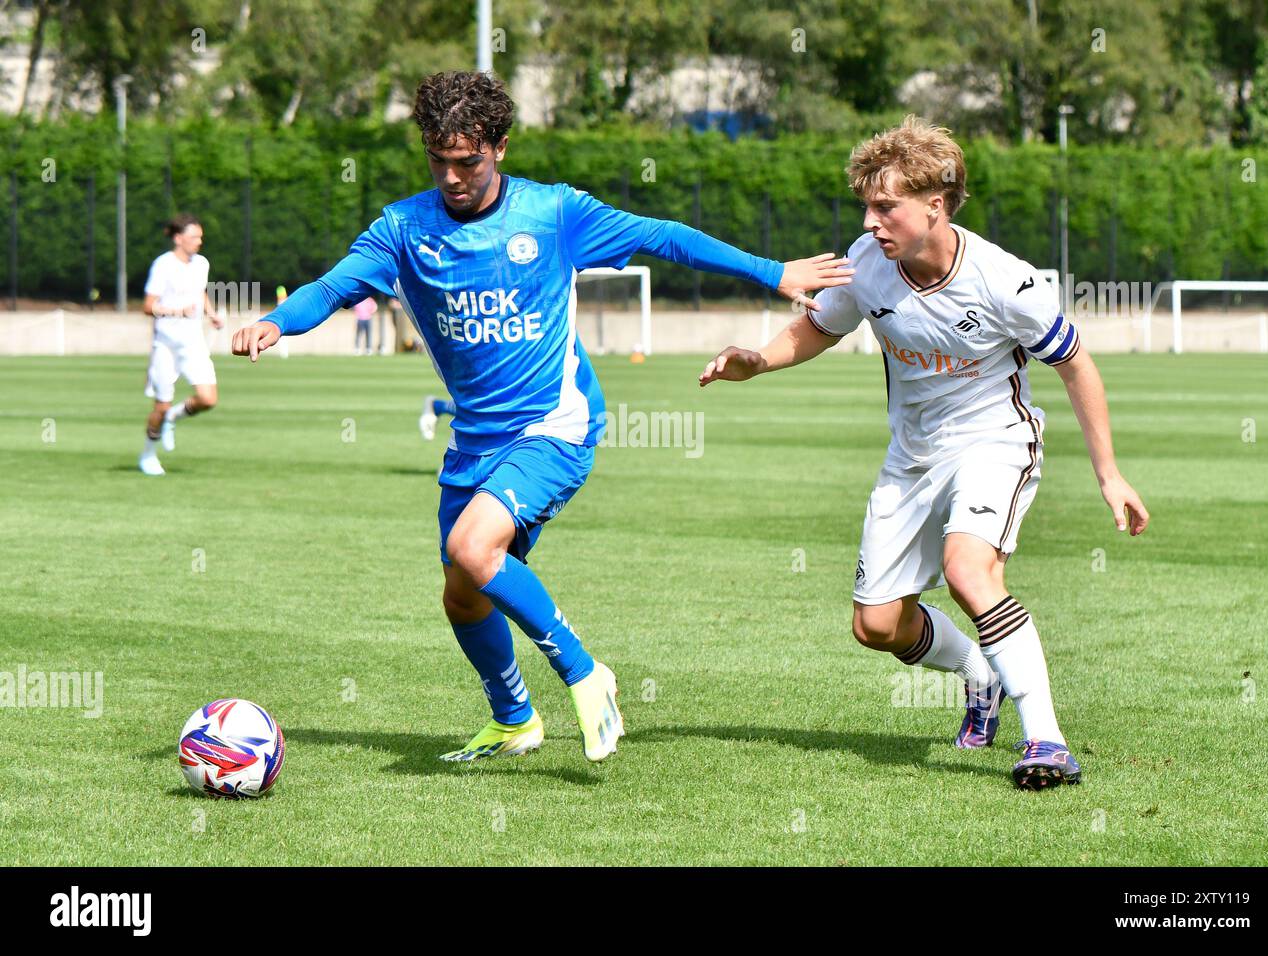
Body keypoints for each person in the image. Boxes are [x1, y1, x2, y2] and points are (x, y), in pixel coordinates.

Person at [232, 70, 852, 764]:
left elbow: (662, 235)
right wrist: (276, 321)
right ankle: (514, 720)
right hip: (476, 443)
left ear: (499, 146)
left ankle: (587, 675)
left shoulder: (553, 213)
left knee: (473, 550)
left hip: (556, 426)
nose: (452, 175)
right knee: (462, 596)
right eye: (438, 159)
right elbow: (335, 285)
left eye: (467, 160)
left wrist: (772, 272)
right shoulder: (404, 228)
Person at [699, 116, 1149, 789]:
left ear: (934, 205)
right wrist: (757, 361)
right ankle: (977, 673)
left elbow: (1076, 362)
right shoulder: (869, 262)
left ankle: (1047, 740)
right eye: (867, 206)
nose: (873, 221)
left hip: (995, 440)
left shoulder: (1005, 281)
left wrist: (1109, 474)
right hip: (911, 457)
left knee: (968, 569)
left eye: (886, 206)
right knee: (877, 624)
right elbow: (821, 325)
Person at [139, 214, 223, 476]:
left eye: (201, 237)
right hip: (165, 344)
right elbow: (148, 306)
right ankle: (148, 455)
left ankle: (174, 418)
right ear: (178, 238)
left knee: (208, 399)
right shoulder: (162, 265)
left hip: (193, 342)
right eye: (194, 237)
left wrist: (211, 313)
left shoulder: (201, 264)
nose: (199, 242)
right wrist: (176, 311)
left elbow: (200, 291)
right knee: (160, 406)